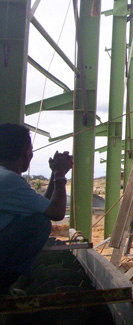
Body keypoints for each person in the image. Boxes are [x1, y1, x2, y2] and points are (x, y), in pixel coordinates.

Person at [0, 123, 72, 295]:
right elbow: (56, 213)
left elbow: (41, 206)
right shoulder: (9, 180)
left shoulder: (4, 176)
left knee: (36, 217)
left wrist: (54, 174)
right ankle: (2, 288)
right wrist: (61, 175)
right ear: (26, 152)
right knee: (39, 224)